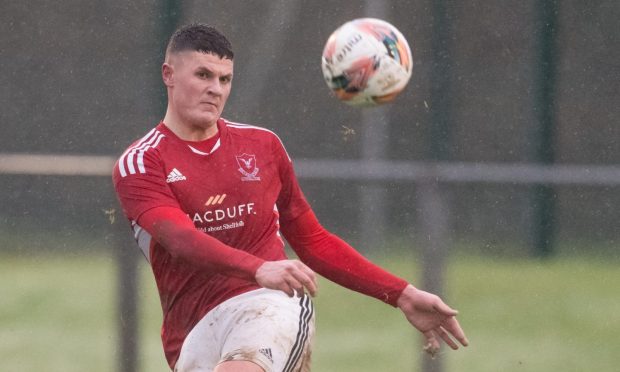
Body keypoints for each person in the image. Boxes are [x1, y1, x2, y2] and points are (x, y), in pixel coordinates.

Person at [113, 23, 468, 372]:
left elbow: (313, 241)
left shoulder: (262, 145)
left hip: (268, 305)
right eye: (203, 75)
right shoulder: (141, 162)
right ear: (168, 74)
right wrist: (258, 267)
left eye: (225, 79)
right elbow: (180, 239)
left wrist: (401, 293)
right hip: (191, 332)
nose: (215, 90)